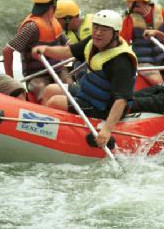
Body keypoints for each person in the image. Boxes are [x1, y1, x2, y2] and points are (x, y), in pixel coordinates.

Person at [32, 10, 137, 148]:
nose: (98, 33)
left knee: (55, 101)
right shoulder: (93, 43)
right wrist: (46, 49)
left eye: (104, 30)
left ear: (115, 34)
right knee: (50, 89)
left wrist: (106, 129)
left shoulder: (121, 62)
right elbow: (67, 52)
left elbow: (121, 100)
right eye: (96, 27)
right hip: (89, 94)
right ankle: (40, 132)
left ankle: (46, 136)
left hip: (104, 106)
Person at [2, 0, 71, 98]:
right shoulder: (31, 27)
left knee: (69, 84)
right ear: (54, 2)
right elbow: (7, 51)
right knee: (42, 89)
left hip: (57, 71)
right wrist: (11, 82)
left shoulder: (54, 22)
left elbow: (69, 45)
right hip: (36, 76)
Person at [120, 0, 164, 86]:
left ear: (138, 2)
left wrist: (157, 33)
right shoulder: (129, 20)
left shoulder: (162, 13)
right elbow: (122, 43)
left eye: (129, 1)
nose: (127, 4)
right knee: (158, 82)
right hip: (144, 61)